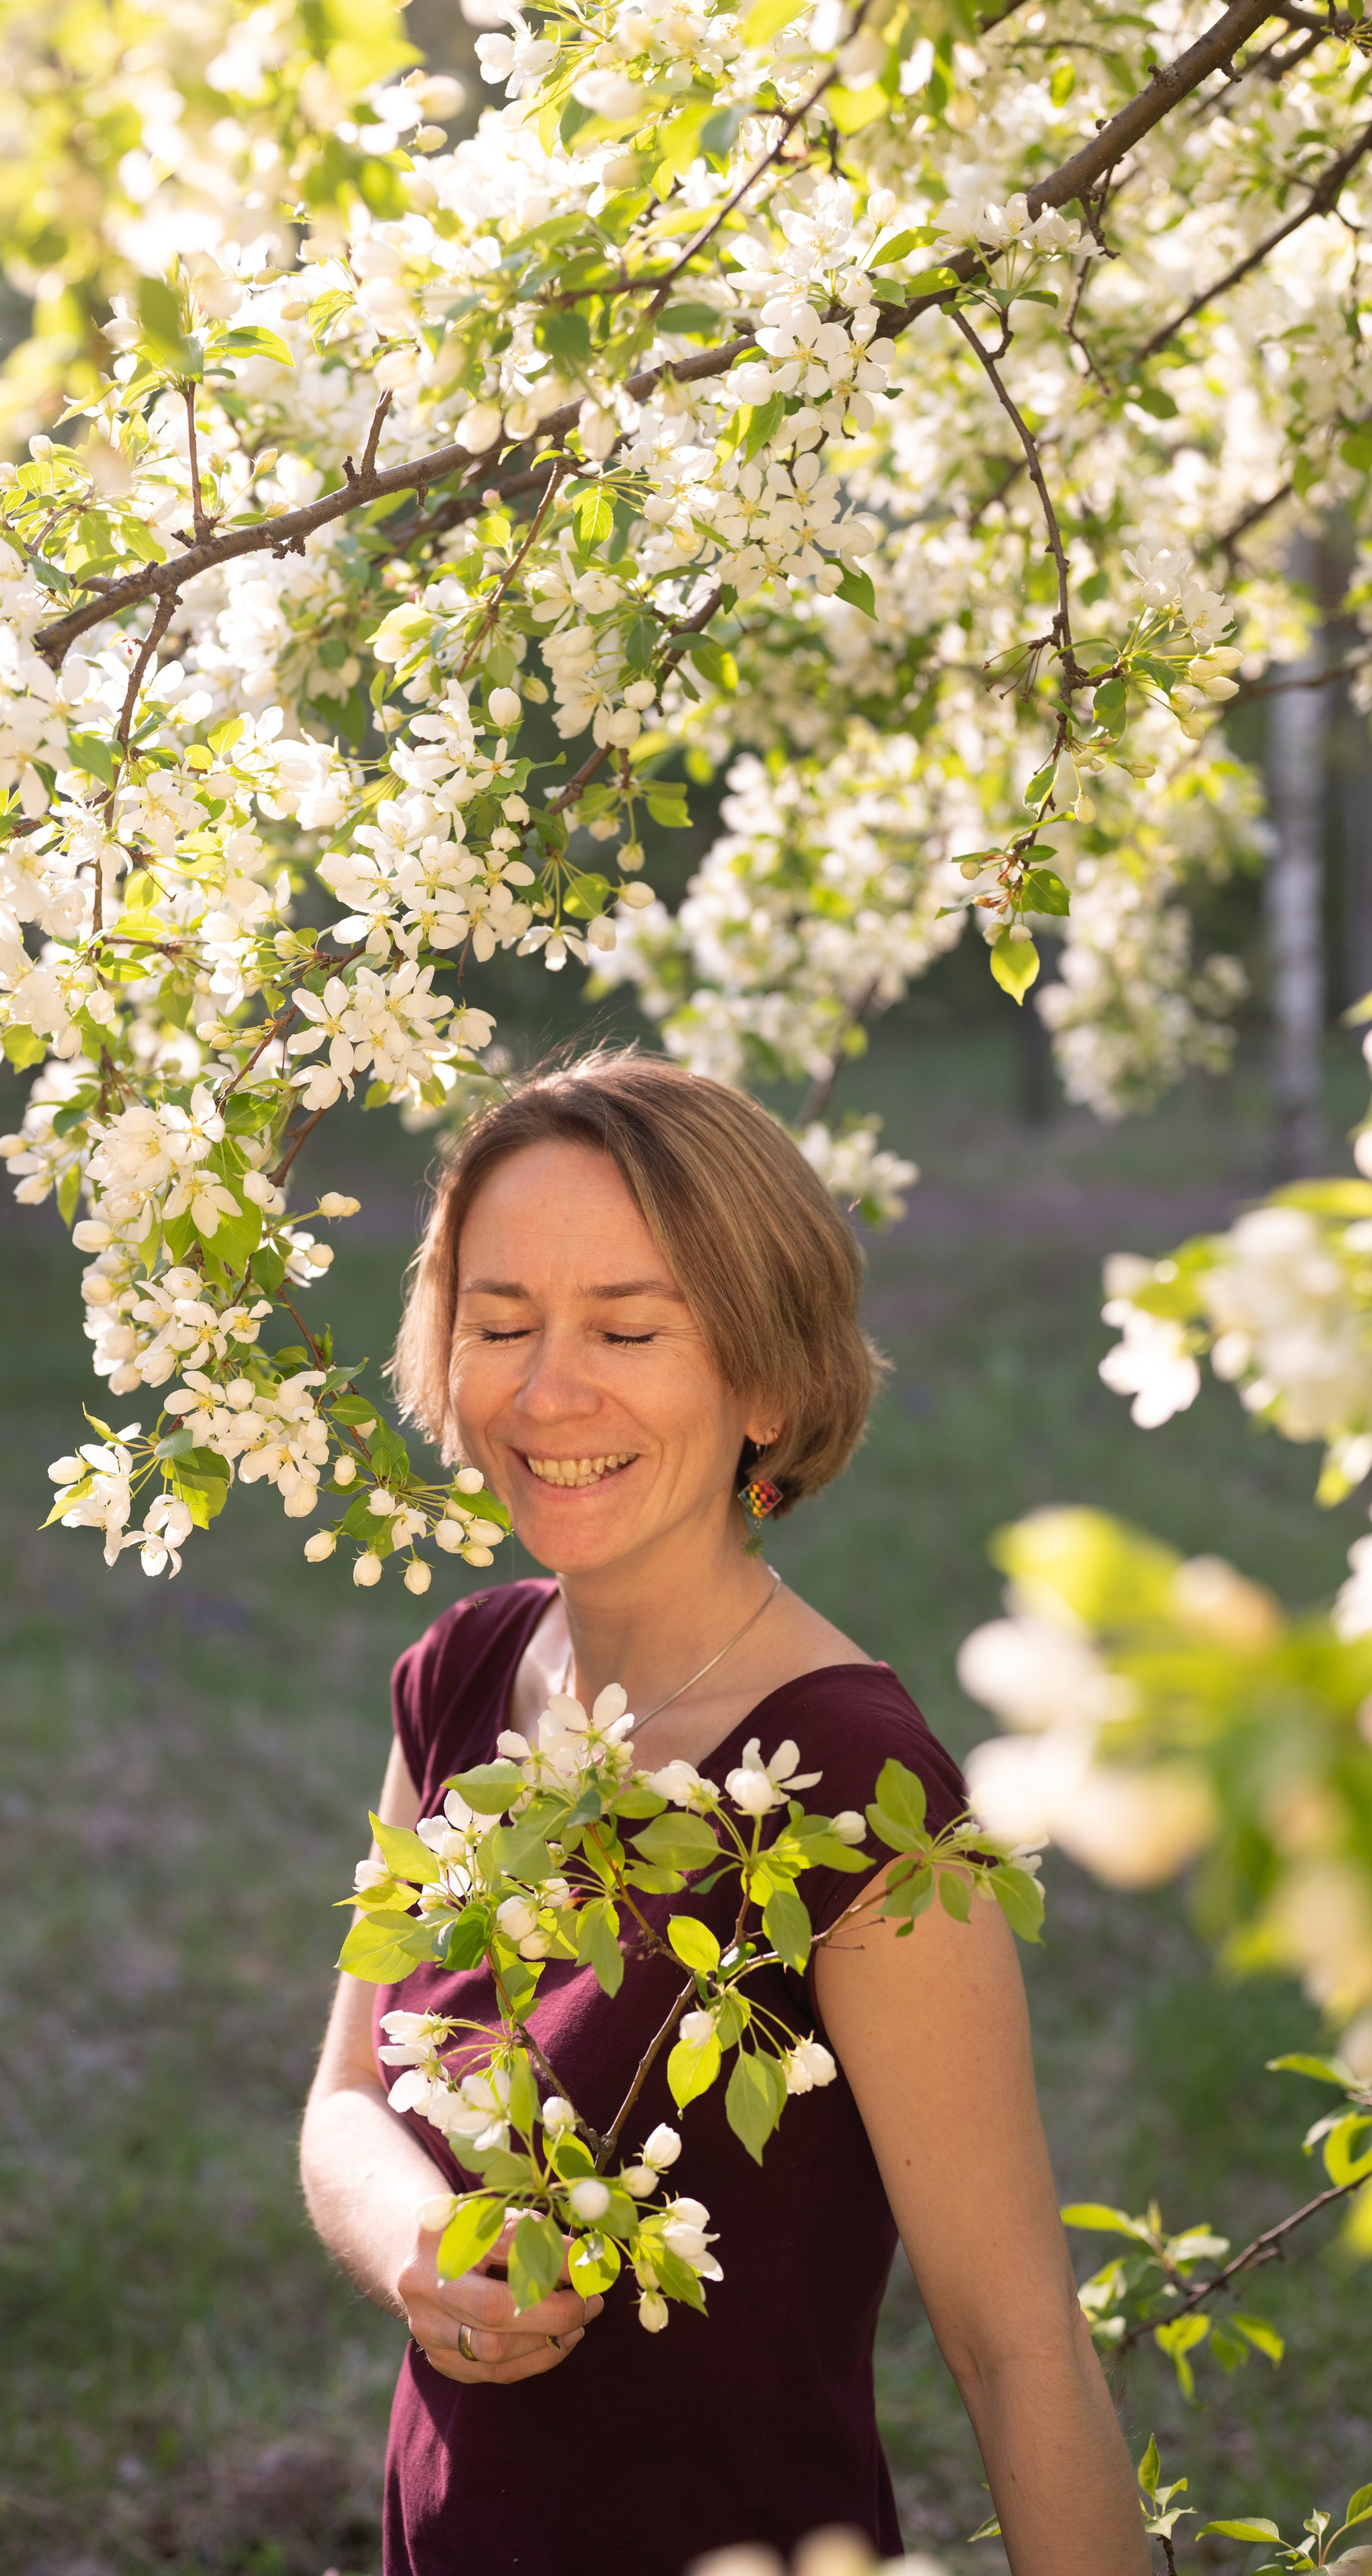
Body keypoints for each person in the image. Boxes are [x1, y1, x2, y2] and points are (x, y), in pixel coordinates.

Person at [300, 1049, 1146, 2576]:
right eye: (499, 1325)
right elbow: (347, 2100)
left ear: (765, 1380)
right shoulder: (463, 1672)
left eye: (627, 1327)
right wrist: (419, 2256)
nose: (547, 1390)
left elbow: (1016, 2346)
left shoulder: (857, 1800)